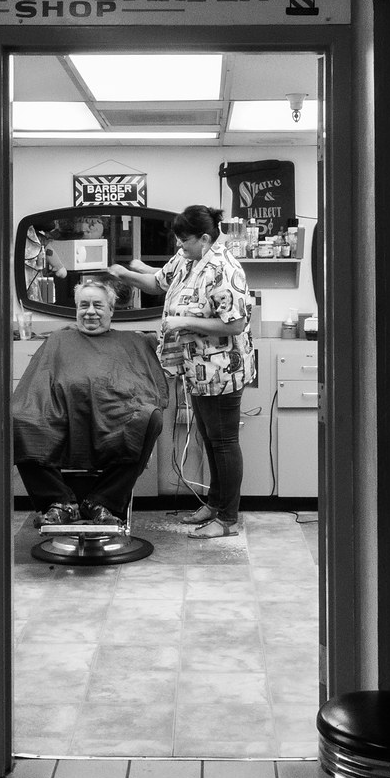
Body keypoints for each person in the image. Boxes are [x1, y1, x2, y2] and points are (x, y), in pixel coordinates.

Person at [111, 205, 256, 538]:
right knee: (209, 438)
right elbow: (157, 282)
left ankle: (227, 520)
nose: (179, 246)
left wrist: (184, 321)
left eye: (185, 241)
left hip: (221, 370)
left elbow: (235, 324)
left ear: (205, 239)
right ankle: (215, 504)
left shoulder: (224, 268)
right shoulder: (188, 260)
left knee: (223, 443)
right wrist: (124, 274)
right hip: (195, 369)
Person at [11, 273, 167, 526]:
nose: (90, 312)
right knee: (19, 419)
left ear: (112, 309)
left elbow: (147, 387)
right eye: (84, 305)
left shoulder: (133, 341)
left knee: (150, 419)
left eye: (98, 305)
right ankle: (59, 502)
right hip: (60, 413)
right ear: (76, 308)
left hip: (116, 414)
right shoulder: (59, 339)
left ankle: (103, 501)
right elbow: (37, 386)